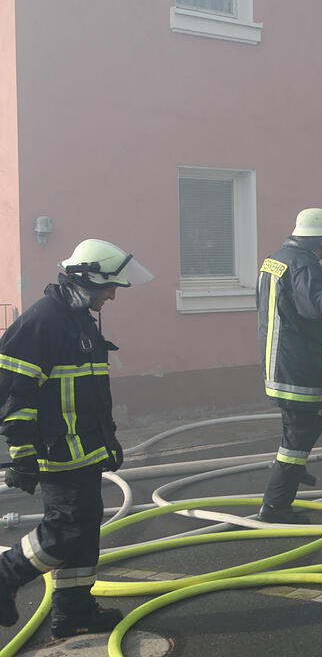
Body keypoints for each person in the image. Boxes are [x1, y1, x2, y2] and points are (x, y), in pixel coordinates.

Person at [0, 239, 152, 637]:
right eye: (109, 287)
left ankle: (73, 612)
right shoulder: (45, 320)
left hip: (83, 448)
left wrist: (107, 442)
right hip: (56, 449)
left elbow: (87, 392)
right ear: (88, 280)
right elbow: (16, 391)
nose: (112, 296)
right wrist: (22, 452)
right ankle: (6, 574)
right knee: (67, 526)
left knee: (85, 529)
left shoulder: (78, 316)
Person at [256, 208, 322, 524]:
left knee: (297, 429)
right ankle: (276, 506)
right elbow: (316, 307)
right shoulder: (304, 264)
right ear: (320, 239)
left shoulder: (275, 259)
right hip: (296, 367)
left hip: (276, 364)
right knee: (301, 433)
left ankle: (293, 470)